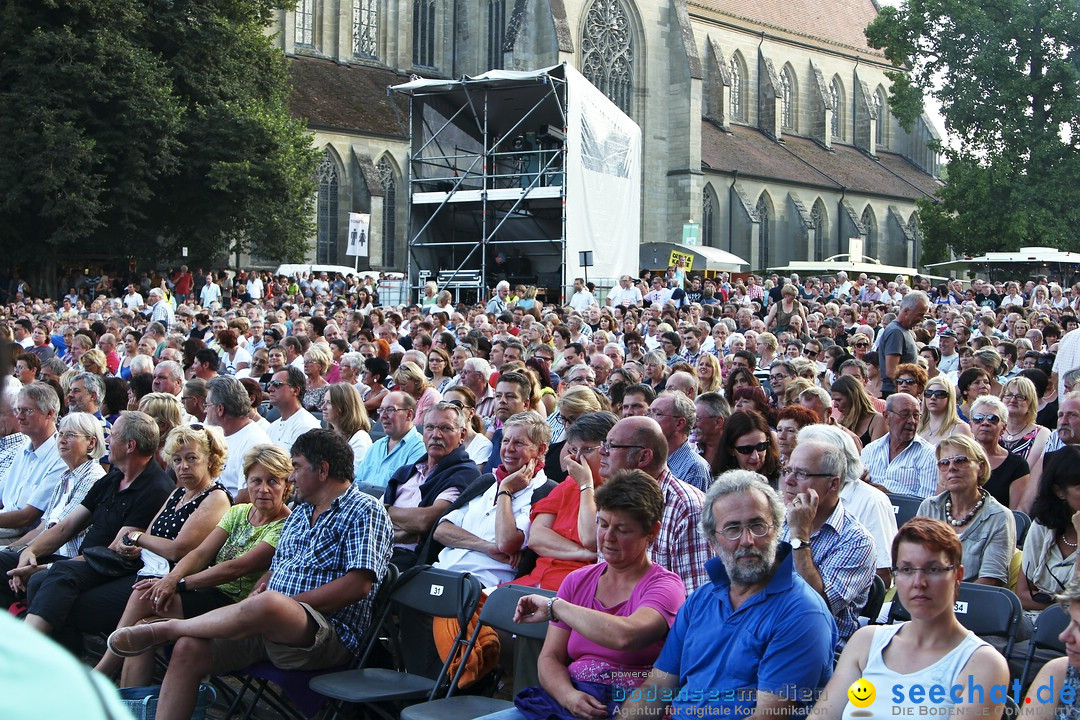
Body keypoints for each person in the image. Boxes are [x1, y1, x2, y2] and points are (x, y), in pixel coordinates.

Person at [105, 429, 394, 720]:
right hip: (268, 624)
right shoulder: (303, 512)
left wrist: (284, 604)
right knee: (188, 648)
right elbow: (277, 567)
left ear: (323, 470)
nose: (291, 477)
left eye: (296, 467)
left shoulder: (365, 510)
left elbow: (359, 585)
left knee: (269, 604)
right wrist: (265, 582)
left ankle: (169, 628)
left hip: (324, 634)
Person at [619, 471, 837, 718]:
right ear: (713, 540)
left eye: (757, 525)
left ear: (776, 529)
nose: (747, 540)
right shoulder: (701, 599)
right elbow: (657, 688)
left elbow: (768, 716)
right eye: (733, 529)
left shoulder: (802, 612)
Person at [494, 470, 686, 718]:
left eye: (623, 530)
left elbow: (626, 636)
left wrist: (556, 607)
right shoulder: (578, 581)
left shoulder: (665, 586)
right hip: (568, 701)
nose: (608, 537)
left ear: (652, 532)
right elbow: (550, 658)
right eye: (603, 524)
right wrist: (568, 696)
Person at [96, 444, 292, 686]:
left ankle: (102, 673)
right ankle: (131, 703)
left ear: (287, 486)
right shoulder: (240, 512)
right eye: (256, 481)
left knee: (143, 603)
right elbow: (200, 553)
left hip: (237, 606)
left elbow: (236, 568)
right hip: (210, 593)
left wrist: (177, 584)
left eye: (273, 481)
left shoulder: (286, 525)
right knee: (141, 626)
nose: (263, 489)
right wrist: (171, 578)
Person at [812, 517, 1008, 719]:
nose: (918, 582)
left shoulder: (983, 664)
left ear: (957, 576)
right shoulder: (866, 642)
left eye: (933, 569)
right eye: (906, 570)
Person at [430, 411, 556, 587]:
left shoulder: (544, 492)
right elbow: (441, 531)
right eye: (505, 441)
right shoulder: (487, 481)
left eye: (518, 443)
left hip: (480, 586)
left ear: (540, 449)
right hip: (440, 570)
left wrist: (506, 490)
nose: (508, 449)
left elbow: (506, 544)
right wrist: (486, 547)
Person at [780, 439, 876, 647]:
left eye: (802, 474)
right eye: (787, 470)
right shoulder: (775, 519)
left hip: (818, 648)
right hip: (769, 636)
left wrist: (799, 535)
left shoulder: (856, 541)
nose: (788, 480)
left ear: (833, 484)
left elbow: (814, 606)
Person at [598, 416, 709, 594]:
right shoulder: (611, 495)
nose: (602, 451)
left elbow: (694, 599)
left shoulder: (688, 508)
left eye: (611, 445)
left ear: (643, 457)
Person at [512, 412, 618, 590]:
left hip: (573, 589)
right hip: (534, 580)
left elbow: (591, 539)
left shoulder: (620, 492)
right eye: (573, 450)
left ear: (608, 450)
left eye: (586, 450)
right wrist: (582, 553)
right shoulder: (568, 484)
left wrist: (586, 485)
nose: (577, 459)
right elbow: (536, 537)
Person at [383, 402, 479, 569]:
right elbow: (371, 515)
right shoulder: (405, 472)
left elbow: (425, 520)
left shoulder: (464, 473)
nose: (436, 435)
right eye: (429, 428)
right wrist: (399, 531)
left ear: (462, 435)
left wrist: (387, 510)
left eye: (446, 428)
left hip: (411, 562)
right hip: (379, 549)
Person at [0, 412, 107, 562]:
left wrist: (24, 553)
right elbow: (42, 528)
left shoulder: (93, 478)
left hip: (65, 559)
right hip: (45, 552)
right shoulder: (65, 476)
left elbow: (62, 529)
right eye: (60, 434)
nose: (62, 440)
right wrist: (15, 550)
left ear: (91, 443)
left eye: (70, 435)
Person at [917, 435, 1016, 586]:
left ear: (981, 468)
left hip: (971, 602)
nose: (951, 467)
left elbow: (991, 580)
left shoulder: (999, 517)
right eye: (944, 463)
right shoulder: (928, 508)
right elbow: (915, 563)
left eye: (960, 460)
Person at [1016, 446, 1080, 614]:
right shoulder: (1043, 526)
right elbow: (1022, 594)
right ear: (1059, 491)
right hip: (1037, 622)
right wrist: (1066, 605)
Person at [0, 382, 66, 537]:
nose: (19, 417)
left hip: (22, 537)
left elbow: (26, 518)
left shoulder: (60, 458)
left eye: (27, 411)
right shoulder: (23, 449)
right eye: (17, 410)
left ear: (49, 413)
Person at [205, 376, 271, 502]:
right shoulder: (219, 434)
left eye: (207, 405)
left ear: (220, 409)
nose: (205, 410)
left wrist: (214, 512)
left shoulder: (255, 443)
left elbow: (247, 495)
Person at [860, 393, 938, 497]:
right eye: (904, 414)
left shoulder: (928, 454)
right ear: (886, 416)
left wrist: (890, 497)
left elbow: (926, 503)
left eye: (916, 415)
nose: (911, 421)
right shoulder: (870, 451)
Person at [354, 391, 425, 490]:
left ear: (408, 414)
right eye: (381, 410)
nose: (383, 416)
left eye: (390, 410)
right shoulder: (376, 446)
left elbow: (406, 493)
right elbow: (356, 481)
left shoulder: (419, 448)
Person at [648, 391, 712, 492]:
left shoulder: (695, 468)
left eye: (657, 414)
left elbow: (694, 507)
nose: (649, 419)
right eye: (648, 413)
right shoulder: (649, 458)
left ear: (679, 424)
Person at [877, 291, 930, 397]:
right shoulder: (896, 332)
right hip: (897, 395)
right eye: (920, 315)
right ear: (906, 311)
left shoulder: (903, 331)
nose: (921, 319)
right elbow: (892, 371)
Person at [712, 410, 781, 485]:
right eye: (746, 449)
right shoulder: (720, 486)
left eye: (761, 446)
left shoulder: (783, 480)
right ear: (730, 450)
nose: (755, 456)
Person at [322, 382, 373, 477]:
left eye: (329, 403)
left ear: (344, 406)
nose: (323, 407)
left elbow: (352, 477)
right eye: (324, 402)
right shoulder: (329, 435)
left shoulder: (360, 439)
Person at [265, 366, 320, 452]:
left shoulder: (306, 426)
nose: (270, 389)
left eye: (276, 384)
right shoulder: (272, 427)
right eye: (270, 384)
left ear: (295, 391)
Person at [1001, 376, 1052, 464]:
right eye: (1008, 395)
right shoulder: (993, 427)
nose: (1013, 400)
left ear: (1030, 403)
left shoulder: (1041, 433)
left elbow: (1028, 469)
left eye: (1020, 397)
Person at [441, 386, 493, 467]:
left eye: (456, 406)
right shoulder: (439, 439)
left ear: (471, 413)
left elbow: (473, 478)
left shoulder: (482, 445)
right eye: (443, 405)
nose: (449, 411)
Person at [917, 375, 972, 448]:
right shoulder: (918, 426)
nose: (933, 397)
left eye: (939, 394)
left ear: (950, 398)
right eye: (929, 393)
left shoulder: (959, 428)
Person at [395, 361, 442, 430]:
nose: (401, 389)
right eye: (399, 384)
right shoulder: (407, 397)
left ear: (416, 380)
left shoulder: (431, 396)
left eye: (404, 384)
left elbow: (423, 427)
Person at [300, 345, 332, 412]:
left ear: (320, 366)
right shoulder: (300, 384)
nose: (305, 365)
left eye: (309, 362)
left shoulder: (327, 389)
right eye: (304, 362)